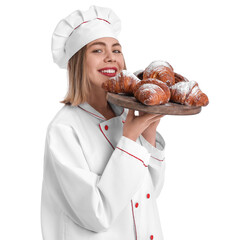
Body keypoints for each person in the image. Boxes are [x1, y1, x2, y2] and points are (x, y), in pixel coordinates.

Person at [41, 5, 166, 240]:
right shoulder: (64, 129)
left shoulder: (127, 115)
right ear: (75, 63)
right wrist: (129, 139)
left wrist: (148, 133)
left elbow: (148, 193)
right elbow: (96, 215)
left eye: (116, 50)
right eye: (97, 50)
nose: (111, 57)